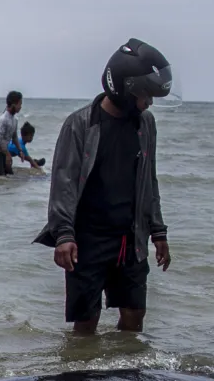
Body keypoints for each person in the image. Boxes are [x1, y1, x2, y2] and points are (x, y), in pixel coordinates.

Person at [35, 38, 173, 335]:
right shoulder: (80, 124)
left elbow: (150, 179)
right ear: (126, 88)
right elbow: (63, 184)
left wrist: (158, 231)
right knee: (86, 322)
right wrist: (63, 236)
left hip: (130, 237)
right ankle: (81, 375)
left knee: (135, 314)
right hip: (88, 239)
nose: (148, 103)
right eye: (145, 96)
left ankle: (126, 375)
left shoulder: (145, 124)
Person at [0, 91, 36, 175]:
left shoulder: (15, 120)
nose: (20, 107)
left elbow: (14, 137)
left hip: (3, 150)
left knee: (10, 174)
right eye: (19, 104)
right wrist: (8, 155)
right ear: (13, 104)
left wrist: (20, 150)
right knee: (0, 176)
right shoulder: (3, 120)